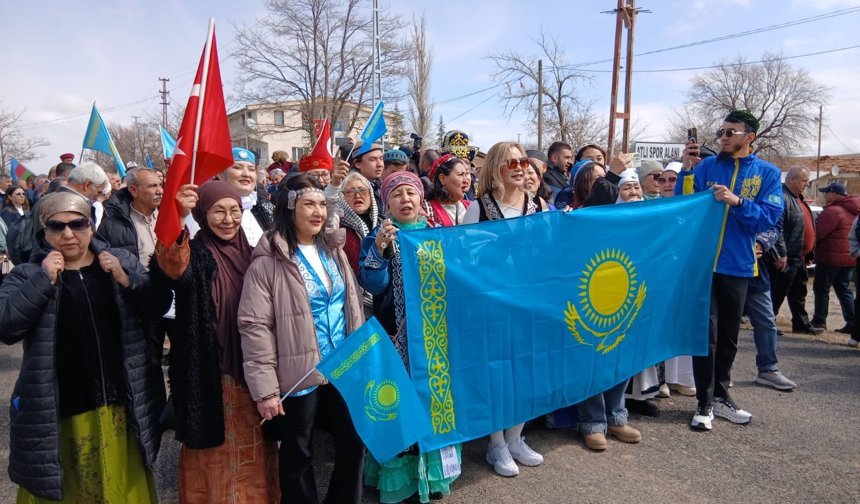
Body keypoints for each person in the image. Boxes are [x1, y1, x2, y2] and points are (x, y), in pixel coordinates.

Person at [0, 191, 167, 502]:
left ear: (91, 226)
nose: (68, 234)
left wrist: (125, 277)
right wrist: (43, 280)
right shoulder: (27, 274)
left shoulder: (120, 260)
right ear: (43, 232)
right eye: (56, 227)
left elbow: (157, 307)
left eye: (77, 224)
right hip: (60, 409)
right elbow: (7, 326)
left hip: (120, 403)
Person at [150, 180, 280, 503]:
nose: (228, 219)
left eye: (235, 210)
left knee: (255, 451)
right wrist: (177, 218)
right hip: (210, 372)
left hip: (251, 371)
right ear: (202, 215)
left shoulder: (254, 255)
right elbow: (171, 266)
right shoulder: (195, 253)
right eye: (218, 211)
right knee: (212, 453)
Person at [240, 174, 365, 504]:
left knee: (354, 442)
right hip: (298, 373)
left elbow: (351, 305)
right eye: (309, 203)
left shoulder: (332, 250)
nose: (318, 211)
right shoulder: (269, 260)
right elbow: (255, 327)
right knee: (297, 454)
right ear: (289, 208)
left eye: (322, 204)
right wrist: (265, 390)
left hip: (343, 364)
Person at [676, 109, 782, 431]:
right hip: (703, 265)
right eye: (720, 132)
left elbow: (768, 218)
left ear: (749, 138)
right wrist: (686, 169)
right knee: (706, 335)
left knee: (729, 338)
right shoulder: (707, 166)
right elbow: (682, 204)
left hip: (738, 265)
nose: (722, 137)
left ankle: (721, 397)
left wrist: (737, 202)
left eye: (730, 133)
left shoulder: (767, 173)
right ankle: (704, 404)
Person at [360, 171, 462, 500]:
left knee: (433, 401)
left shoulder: (437, 235)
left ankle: (434, 477)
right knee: (400, 402)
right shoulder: (379, 237)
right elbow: (373, 285)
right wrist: (380, 250)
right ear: (386, 202)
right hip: (395, 338)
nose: (405, 199)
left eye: (411, 193)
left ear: (421, 199)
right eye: (397, 194)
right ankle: (400, 478)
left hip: (434, 338)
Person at [462, 142, 546, 476]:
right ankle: (495, 444)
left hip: (529, 301)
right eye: (509, 161)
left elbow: (549, 251)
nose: (518, 166)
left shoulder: (538, 205)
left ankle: (516, 437)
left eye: (522, 160)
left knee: (525, 369)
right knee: (496, 370)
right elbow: (463, 258)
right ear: (495, 166)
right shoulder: (478, 208)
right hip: (491, 303)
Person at [574, 169, 645, 451]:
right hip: (597, 292)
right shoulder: (596, 216)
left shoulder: (651, 217)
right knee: (595, 354)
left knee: (624, 355)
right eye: (625, 188)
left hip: (633, 292)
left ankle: (617, 416)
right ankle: (592, 422)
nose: (633, 193)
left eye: (636, 187)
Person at [769, 167, 821, 335]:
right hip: (787, 257)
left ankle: (801, 324)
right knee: (778, 292)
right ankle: (768, 324)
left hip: (799, 256)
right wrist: (781, 254)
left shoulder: (798, 198)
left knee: (799, 293)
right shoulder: (782, 198)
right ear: (791, 180)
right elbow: (778, 230)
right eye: (804, 181)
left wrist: (809, 252)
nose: (807, 184)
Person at [744, 228, 798, 391]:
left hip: (756, 275)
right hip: (726, 271)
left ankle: (768, 369)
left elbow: (773, 228)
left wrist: (761, 244)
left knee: (767, 323)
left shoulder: (764, 202)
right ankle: (722, 373)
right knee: (726, 325)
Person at [811, 182, 860, 333]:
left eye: (826, 193)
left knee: (821, 288)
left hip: (830, 258)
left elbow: (818, 234)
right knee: (843, 288)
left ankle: (819, 321)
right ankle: (852, 322)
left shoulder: (832, 211)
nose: (824, 196)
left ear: (833, 194)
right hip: (850, 257)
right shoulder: (853, 210)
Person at [97, 168, 163, 267]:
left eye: (160, 185)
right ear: (134, 190)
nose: (160, 191)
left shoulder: (171, 217)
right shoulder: (111, 226)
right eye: (152, 186)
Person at [217, 147, 275, 247]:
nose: (246, 174)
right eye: (237, 167)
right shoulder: (211, 210)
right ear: (221, 174)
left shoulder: (266, 208)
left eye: (251, 169)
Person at [424, 153, 472, 227]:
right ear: (443, 179)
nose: (466, 180)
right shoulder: (426, 209)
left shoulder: (471, 207)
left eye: (466, 174)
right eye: (460, 175)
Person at [351, 142, 385, 210]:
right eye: (373, 159)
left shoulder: (383, 187)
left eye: (381, 159)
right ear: (358, 164)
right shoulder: (350, 190)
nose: (380, 164)